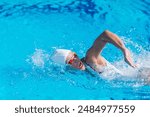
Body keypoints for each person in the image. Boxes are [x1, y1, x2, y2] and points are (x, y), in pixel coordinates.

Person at [51, 30, 136, 75]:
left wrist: (124, 50)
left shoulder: (90, 59)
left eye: (75, 56)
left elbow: (105, 34)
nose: (76, 60)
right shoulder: (72, 71)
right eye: (70, 61)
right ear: (67, 66)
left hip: (138, 77)